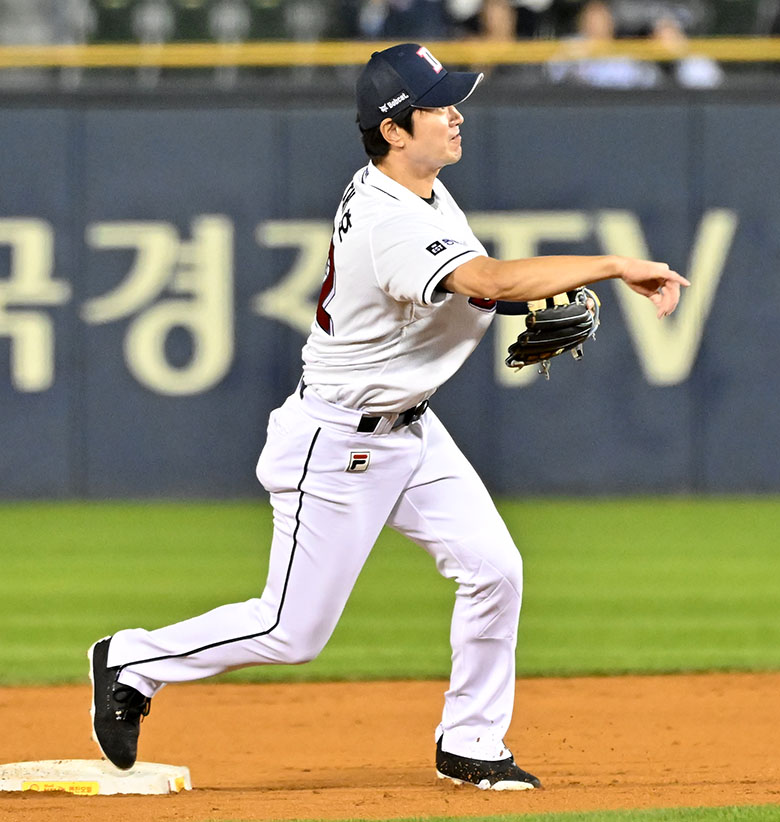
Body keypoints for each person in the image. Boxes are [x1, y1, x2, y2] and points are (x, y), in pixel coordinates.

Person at [87, 42, 689, 791]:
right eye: (437, 106)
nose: (456, 115)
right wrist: (615, 264)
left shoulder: (419, 189)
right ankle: (132, 659)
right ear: (394, 131)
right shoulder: (388, 218)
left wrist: (516, 298)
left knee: (494, 570)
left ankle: (470, 740)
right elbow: (489, 277)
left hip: (410, 429)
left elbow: (474, 289)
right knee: (289, 631)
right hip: (339, 443)